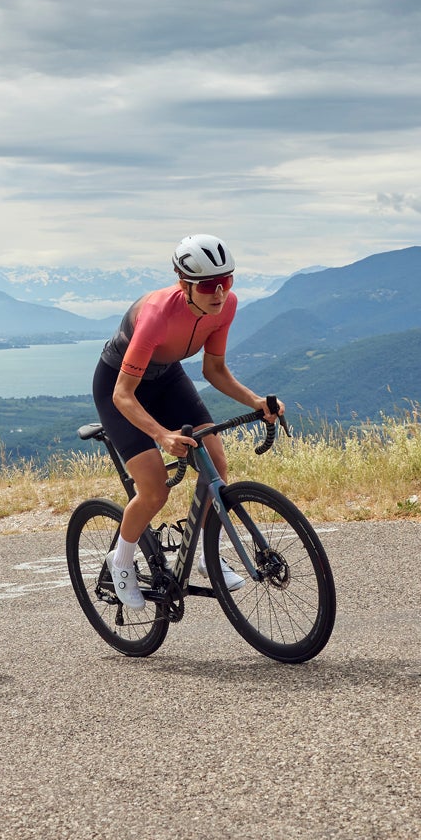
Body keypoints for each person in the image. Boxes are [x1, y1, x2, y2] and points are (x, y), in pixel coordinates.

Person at [92, 234, 283, 609]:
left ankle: (204, 555)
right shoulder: (157, 314)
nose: (220, 293)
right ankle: (121, 561)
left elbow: (214, 369)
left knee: (216, 467)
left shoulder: (225, 307)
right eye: (210, 285)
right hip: (121, 386)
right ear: (184, 284)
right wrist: (162, 435)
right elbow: (122, 395)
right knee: (154, 489)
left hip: (166, 379)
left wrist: (256, 401)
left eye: (227, 282)